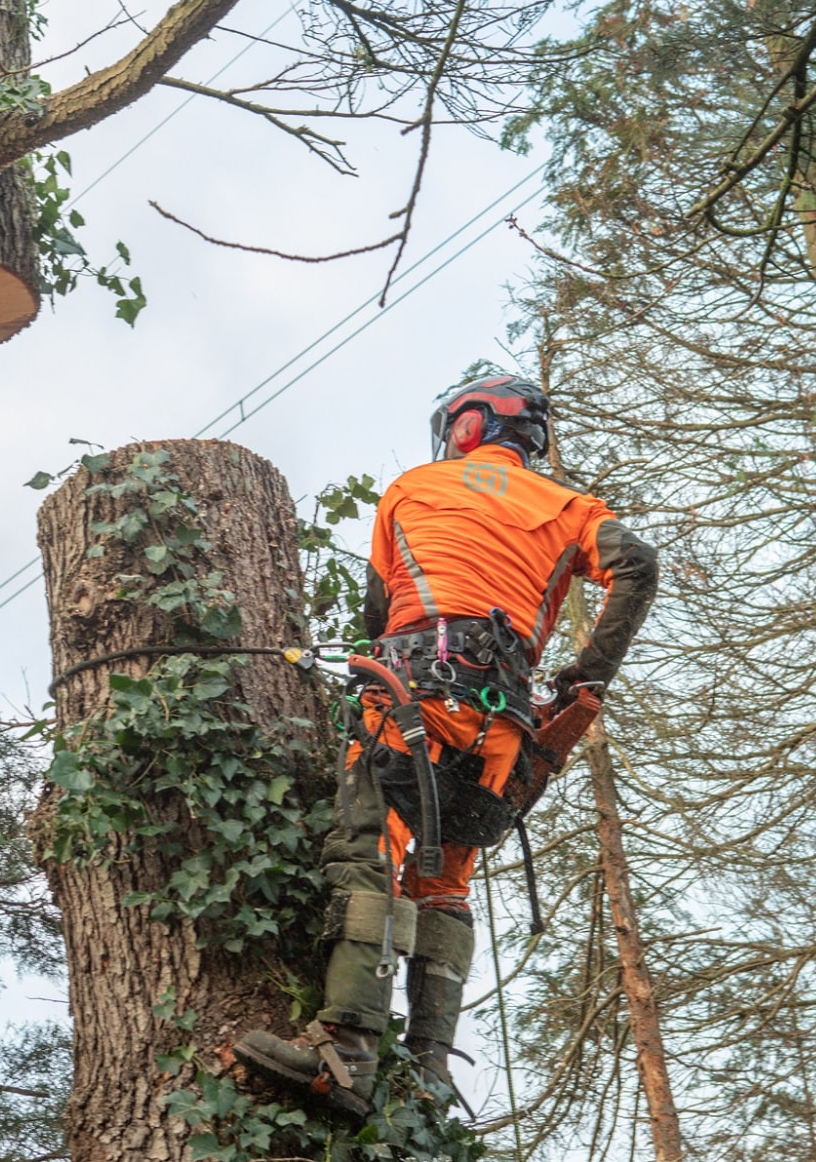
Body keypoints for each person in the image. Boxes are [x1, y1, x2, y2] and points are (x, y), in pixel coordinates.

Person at [238, 372, 658, 1117]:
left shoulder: (413, 489)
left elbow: (377, 616)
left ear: (466, 427)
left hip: (411, 701)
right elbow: (638, 565)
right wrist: (586, 678)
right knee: (448, 877)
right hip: (504, 725)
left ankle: (348, 1050)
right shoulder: (572, 509)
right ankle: (428, 1068)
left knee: (369, 853)